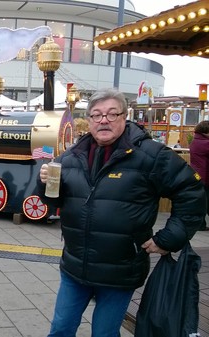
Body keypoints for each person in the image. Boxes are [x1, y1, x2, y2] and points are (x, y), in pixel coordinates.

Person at [37, 88, 205, 336]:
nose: (103, 120)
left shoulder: (151, 155)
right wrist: (43, 185)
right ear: (90, 120)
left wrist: (168, 239)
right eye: (96, 115)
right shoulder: (71, 157)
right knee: (60, 329)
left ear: (124, 117)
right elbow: (54, 201)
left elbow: (192, 191)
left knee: (104, 333)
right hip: (75, 266)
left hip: (120, 271)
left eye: (112, 114)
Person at [190, 120, 209, 231]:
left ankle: (200, 224)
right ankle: (200, 224)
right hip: (204, 176)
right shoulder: (205, 143)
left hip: (197, 175)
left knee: (202, 201)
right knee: (205, 202)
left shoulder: (195, 141)